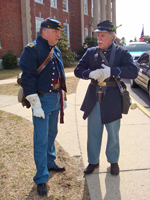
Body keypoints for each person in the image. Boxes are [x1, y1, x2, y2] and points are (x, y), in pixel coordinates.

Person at [74, 20, 138, 176]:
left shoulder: (122, 52)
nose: (99, 39)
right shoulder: (91, 52)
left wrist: (113, 71)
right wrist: (89, 74)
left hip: (113, 97)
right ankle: (93, 162)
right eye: (98, 35)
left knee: (113, 133)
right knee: (93, 131)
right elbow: (78, 70)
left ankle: (113, 161)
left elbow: (133, 71)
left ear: (112, 36)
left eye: (102, 35)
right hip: (94, 95)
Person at [19, 18, 67, 196]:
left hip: (55, 98)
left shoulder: (56, 50)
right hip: (41, 100)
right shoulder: (31, 49)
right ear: (45, 31)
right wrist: (35, 103)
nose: (58, 35)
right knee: (40, 140)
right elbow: (28, 78)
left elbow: (60, 74)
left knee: (51, 133)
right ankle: (41, 177)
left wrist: (62, 95)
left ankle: (50, 162)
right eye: (56, 32)